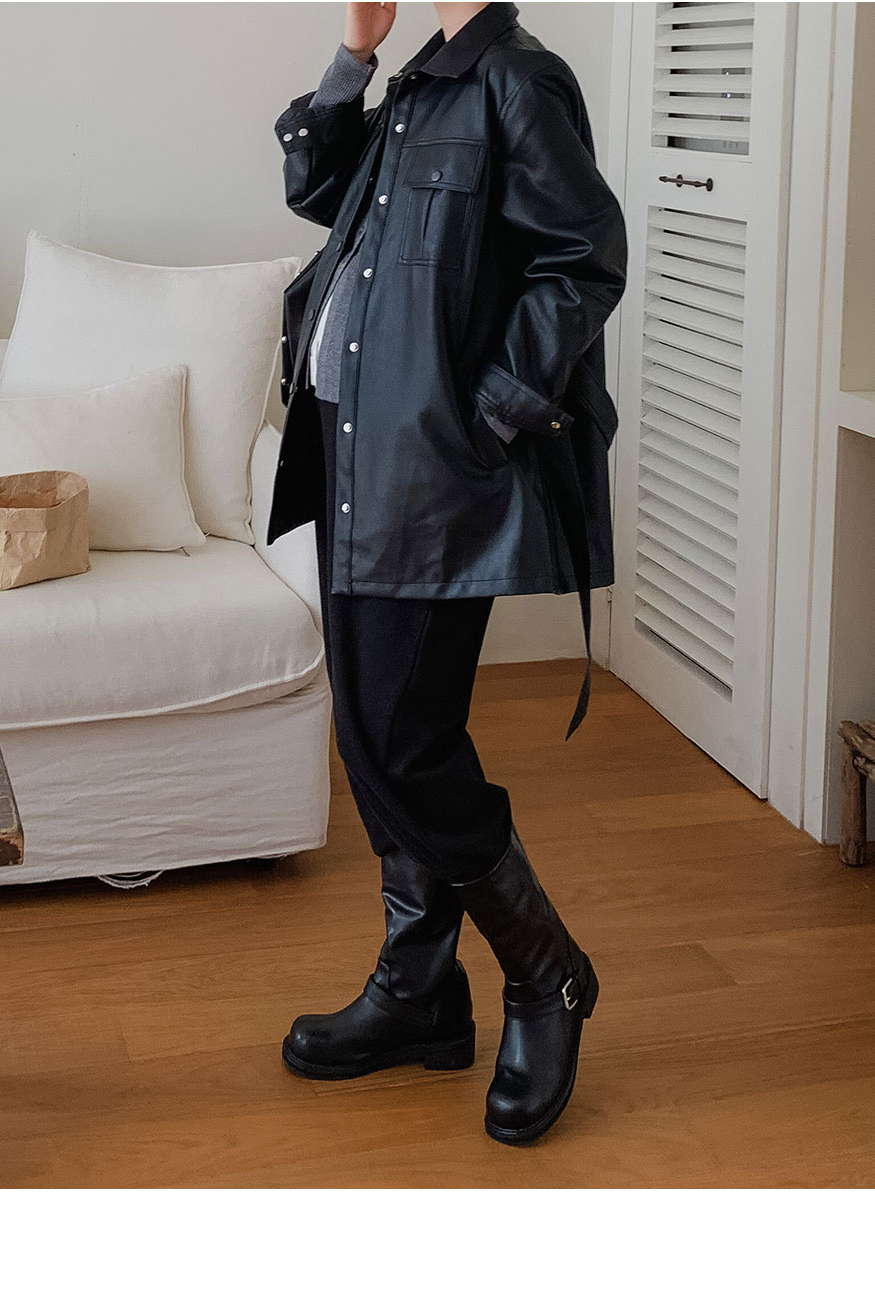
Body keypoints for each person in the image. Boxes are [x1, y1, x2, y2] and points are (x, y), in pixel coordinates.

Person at [269, 1, 627, 1146]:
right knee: (371, 734)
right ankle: (418, 984)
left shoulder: (520, 80)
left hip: (431, 470)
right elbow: (319, 191)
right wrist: (353, 54)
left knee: (406, 742)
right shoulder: (422, 81)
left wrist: (490, 416)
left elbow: (583, 259)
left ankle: (546, 970)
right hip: (353, 452)